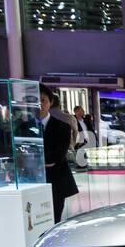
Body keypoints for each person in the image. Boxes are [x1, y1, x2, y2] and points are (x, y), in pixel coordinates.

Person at [38, 83, 79, 222]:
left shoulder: (62, 127)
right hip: (32, 183)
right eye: (35, 100)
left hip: (56, 183)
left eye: (43, 100)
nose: (39, 104)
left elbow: (58, 155)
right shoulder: (23, 127)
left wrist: (36, 161)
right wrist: (44, 162)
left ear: (50, 103)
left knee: (54, 219)